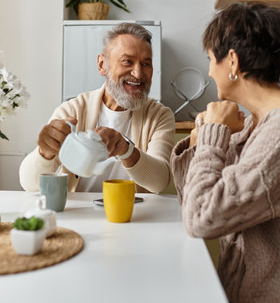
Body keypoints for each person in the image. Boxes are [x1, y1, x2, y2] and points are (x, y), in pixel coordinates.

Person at [171, 3, 280, 303]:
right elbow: (192, 198)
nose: (210, 71)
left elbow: (201, 218)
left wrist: (213, 138)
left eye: (211, 60)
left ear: (232, 62)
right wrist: (202, 140)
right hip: (241, 301)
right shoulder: (256, 126)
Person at [20, 22, 175, 194]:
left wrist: (126, 149)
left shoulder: (160, 115)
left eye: (146, 64)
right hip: (79, 216)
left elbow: (160, 181)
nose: (138, 73)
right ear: (102, 65)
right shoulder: (72, 111)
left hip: (132, 216)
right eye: (127, 62)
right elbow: (30, 184)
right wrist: (45, 152)